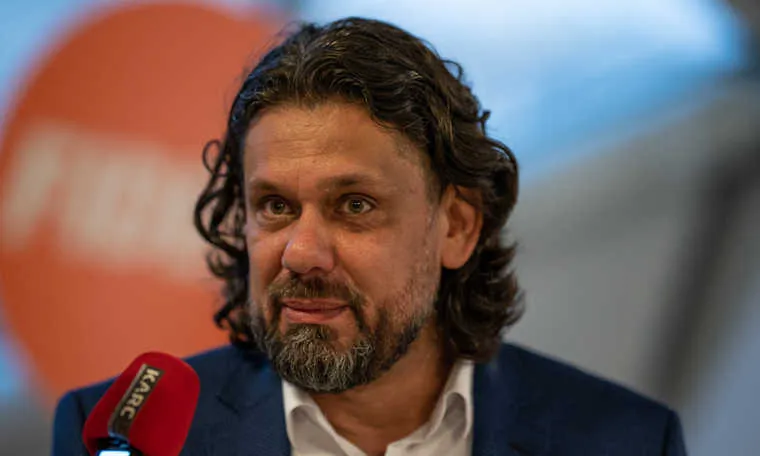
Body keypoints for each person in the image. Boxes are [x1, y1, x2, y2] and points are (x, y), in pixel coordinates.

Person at [52, 17, 687, 456]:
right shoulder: (120, 438)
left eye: (354, 205)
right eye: (275, 206)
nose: (301, 253)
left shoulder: (624, 441)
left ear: (457, 226)